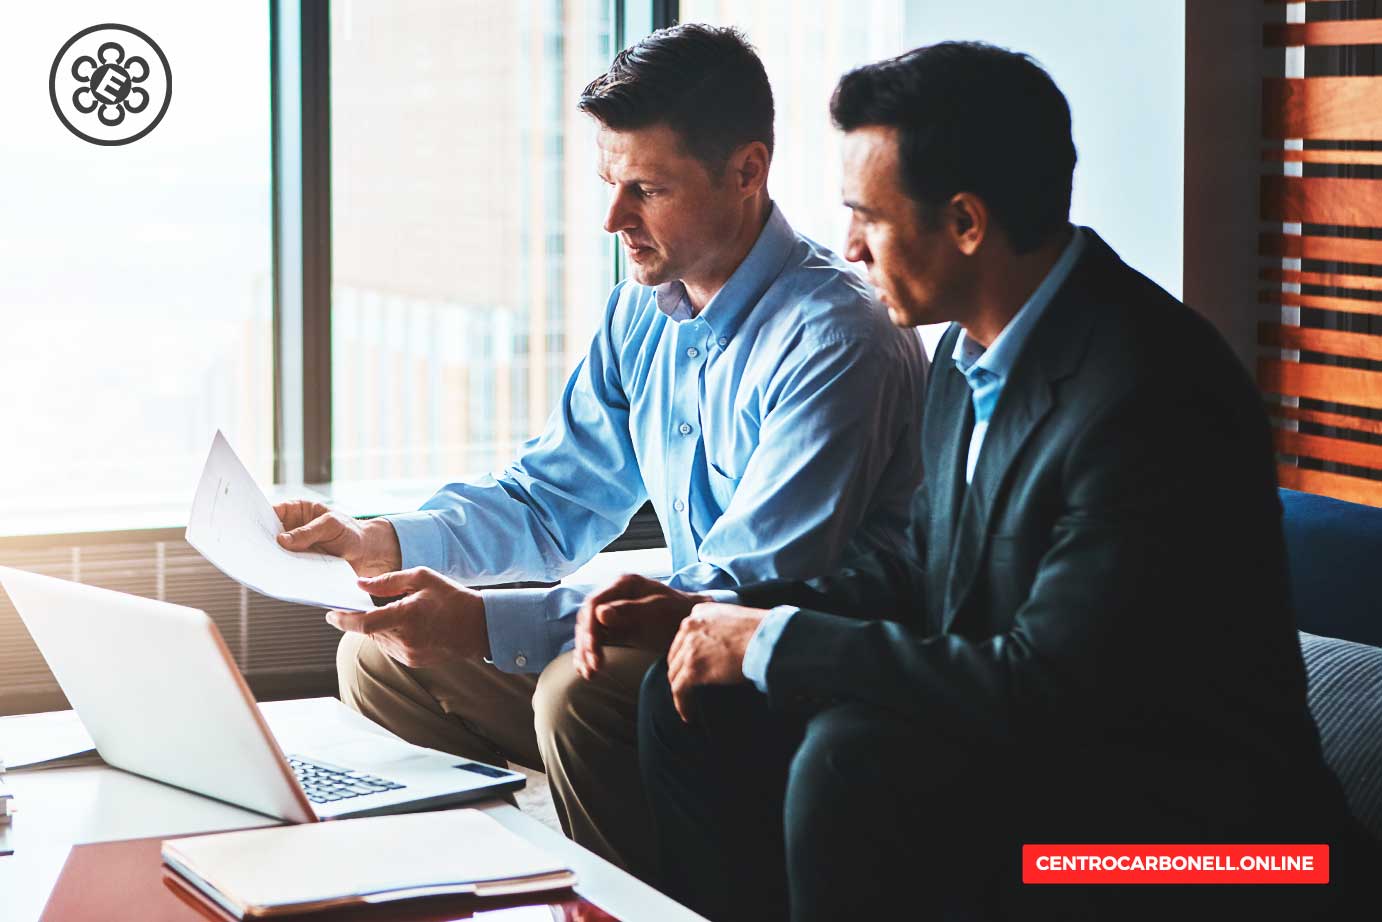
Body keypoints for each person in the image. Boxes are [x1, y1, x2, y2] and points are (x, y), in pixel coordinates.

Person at [584, 41, 1370, 921]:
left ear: (966, 223)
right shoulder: (967, 350)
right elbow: (927, 572)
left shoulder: (1149, 389)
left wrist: (772, 643)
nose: (846, 245)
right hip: (1050, 772)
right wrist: (727, 615)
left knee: (856, 758)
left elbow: (1050, 688)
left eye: (866, 216)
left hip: (1205, 849)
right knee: (692, 698)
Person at [273, 24, 926, 882]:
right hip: (684, 635)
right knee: (380, 659)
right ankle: (481, 887)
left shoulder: (835, 335)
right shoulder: (640, 309)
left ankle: (638, 901)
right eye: (609, 184)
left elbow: (750, 585)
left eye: (646, 189)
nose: (613, 218)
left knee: (581, 694)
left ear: (747, 171)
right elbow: (550, 500)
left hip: (789, 661)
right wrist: (379, 544)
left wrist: (478, 622)